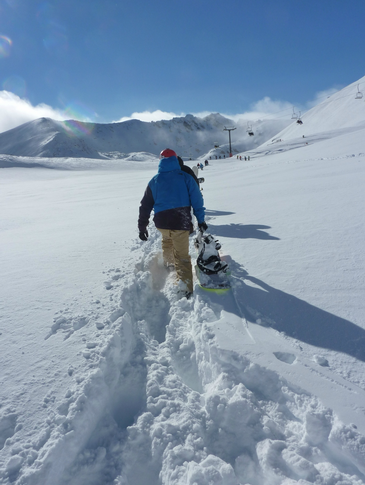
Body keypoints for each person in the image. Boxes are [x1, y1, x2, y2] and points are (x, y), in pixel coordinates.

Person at [138, 148, 207, 298]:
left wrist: (142, 227)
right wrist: (201, 220)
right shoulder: (185, 177)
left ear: (161, 160)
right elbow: (197, 200)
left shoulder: (154, 180)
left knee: (167, 239)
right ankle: (185, 288)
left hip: (162, 223)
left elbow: (145, 206)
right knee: (182, 255)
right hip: (180, 221)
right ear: (175, 160)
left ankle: (169, 263)